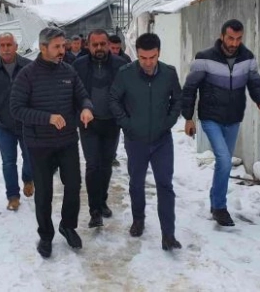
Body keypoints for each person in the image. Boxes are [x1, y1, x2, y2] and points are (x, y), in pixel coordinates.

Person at [10, 26, 94, 258]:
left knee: (74, 185)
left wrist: (86, 108)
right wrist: (47, 118)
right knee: (44, 193)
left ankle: (68, 226)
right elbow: (16, 109)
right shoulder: (26, 75)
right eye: (57, 47)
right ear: (43, 47)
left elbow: (82, 96)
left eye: (63, 46)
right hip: (39, 145)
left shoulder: (68, 71)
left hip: (67, 141)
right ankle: (45, 235)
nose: (62, 50)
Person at [181, 19, 260, 227]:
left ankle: (215, 202)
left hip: (233, 118)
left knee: (224, 162)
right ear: (222, 36)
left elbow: (255, 84)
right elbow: (190, 88)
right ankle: (220, 208)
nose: (234, 43)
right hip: (210, 117)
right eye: (230, 38)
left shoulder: (247, 58)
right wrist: (188, 118)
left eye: (238, 39)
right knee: (224, 159)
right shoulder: (204, 58)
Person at [109, 32, 183, 251]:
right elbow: (114, 99)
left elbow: (177, 99)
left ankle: (168, 234)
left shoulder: (169, 73)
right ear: (137, 55)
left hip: (161, 140)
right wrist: (126, 124)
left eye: (152, 57)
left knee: (165, 185)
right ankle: (138, 219)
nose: (148, 63)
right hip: (136, 140)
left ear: (158, 53)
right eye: (143, 58)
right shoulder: (126, 74)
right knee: (136, 182)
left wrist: (168, 122)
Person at [72, 29, 128, 228]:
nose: (99, 48)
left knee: (105, 165)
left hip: (112, 123)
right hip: (89, 123)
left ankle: (102, 200)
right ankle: (94, 211)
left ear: (108, 44)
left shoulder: (121, 65)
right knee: (92, 165)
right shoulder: (78, 66)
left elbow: (128, 94)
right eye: (95, 45)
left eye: (102, 44)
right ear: (88, 46)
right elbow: (74, 94)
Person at [0, 33, 33, 211]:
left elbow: (37, 90)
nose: (6, 48)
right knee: (8, 162)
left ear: (16, 47)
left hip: (26, 124)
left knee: (30, 157)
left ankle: (28, 179)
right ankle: (13, 196)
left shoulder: (28, 66)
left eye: (9, 44)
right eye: (2, 45)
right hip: (3, 125)